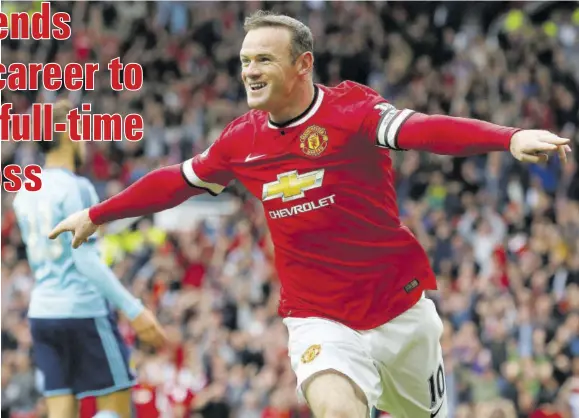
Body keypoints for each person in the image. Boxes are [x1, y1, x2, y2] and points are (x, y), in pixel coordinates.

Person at [49, 11, 571, 418]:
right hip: (318, 316)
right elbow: (176, 181)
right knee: (337, 408)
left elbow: (426, 130)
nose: (249, 71)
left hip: (399, 311)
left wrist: (509, 138)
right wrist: (99, 213)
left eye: (264, 60)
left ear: (303, 64)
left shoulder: (353, 111)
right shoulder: (241, 141)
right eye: (245, 60)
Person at [13, 101, 167, 418]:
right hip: (84, 312)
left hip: (42, 315)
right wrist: (135, 311)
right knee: (118, 409)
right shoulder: (77, 187)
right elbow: (85, 261)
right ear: (67, 133)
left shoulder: (25, 192)